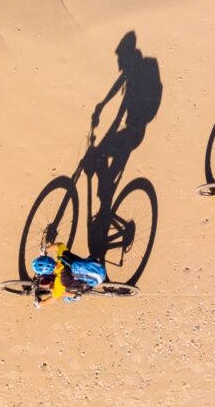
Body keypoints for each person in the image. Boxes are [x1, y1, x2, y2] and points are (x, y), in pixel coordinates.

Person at [87, 31, 162, 210]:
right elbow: (117, 86)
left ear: (126, 56)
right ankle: (105, 203)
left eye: (120, 56)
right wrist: (102, 105)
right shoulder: (133, 68)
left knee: (101, 159)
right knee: (104, 169)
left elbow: (121, 110)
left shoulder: (137, 74)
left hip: (133, 134)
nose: (118, 61)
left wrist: (108, 129)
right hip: (131, 132)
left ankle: (105, 208)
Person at [31, 242, 106, 308]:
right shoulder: (63, 256)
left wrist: (40, 304)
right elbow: (58, 245)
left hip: (92, 282)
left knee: (59, 292)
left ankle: (74, 296)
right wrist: (45, 250)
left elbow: (54, 298)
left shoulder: (60, 281)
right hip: (96, 266)